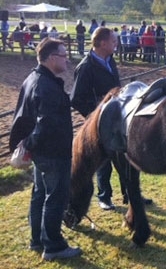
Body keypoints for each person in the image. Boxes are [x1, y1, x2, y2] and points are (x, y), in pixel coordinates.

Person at [11, 38, 82, 260]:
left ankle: (37, 240)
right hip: (53, 153)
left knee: (39, 195)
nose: (66, 59)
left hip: (42, 153)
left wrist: (29, 146)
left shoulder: (34, 78)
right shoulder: (46, 86)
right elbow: (46, 124)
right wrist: (30, 144)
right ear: (52, 58)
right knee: (55, 197)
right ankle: (53, 246)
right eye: (63, 55)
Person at [70, 27, 152, 210]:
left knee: (126, 158)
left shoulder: (110, 61)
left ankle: (131, 196)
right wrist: (95, 117)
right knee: (104, 162)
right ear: (102, 43)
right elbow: (76, 98)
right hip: (99, 123)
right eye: (113, 41)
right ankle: (104, 197)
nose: (116, 43)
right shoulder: (85, 67)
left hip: (118, 118)